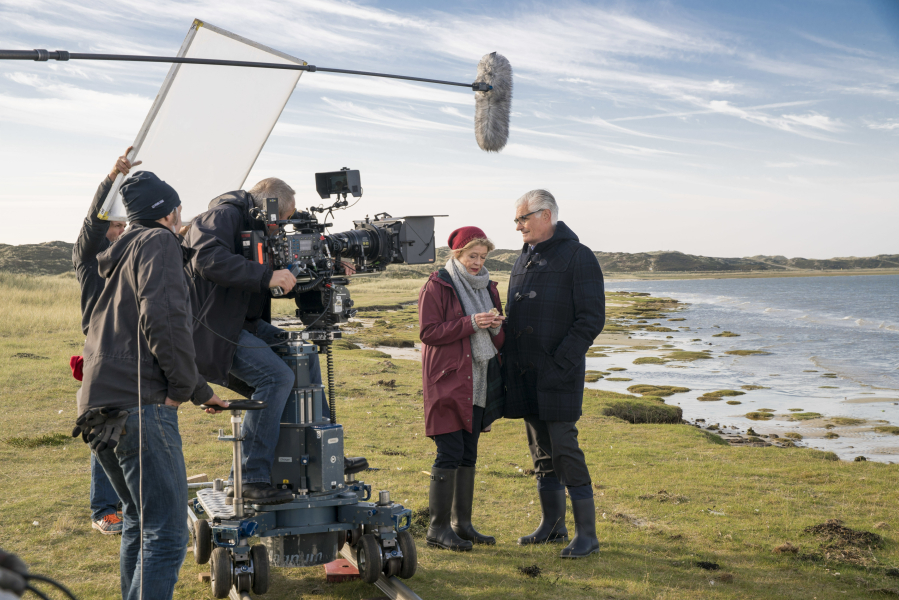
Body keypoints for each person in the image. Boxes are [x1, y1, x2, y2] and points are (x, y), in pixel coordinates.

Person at [79, 171, 229, 600]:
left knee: (138, 519)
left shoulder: (120, 251)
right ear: (168, 211)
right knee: (166, 532)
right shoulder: (159, 242)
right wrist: (187, 389)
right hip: (139, 404)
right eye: (178, 207)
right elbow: (164, 321)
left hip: (98, 403)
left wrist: (195, 388)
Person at [185, 178, 319, 505]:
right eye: (283, 218)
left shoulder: (257, 227)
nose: (283, 225)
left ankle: (320, 452)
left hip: (243, 324)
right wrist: (266, 276)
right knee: (276, 378)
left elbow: (272, 276)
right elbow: (206, 258)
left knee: (304, 354)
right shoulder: (223, 216)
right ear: (270, 207)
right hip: (213, 329)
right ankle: (248, 477)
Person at [503, 189, 605, 559]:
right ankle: (552, 526)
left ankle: (587, 535)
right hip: (525, 374)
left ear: (546, 215)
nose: (518, 226)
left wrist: (560, 363)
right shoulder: (523, 257)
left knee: (565, 450)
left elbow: (591, 319)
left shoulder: (579, 256)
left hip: (559, 374)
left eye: (523, 218)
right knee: (540, 452)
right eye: (517, 219)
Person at [418, 227, 505, 551]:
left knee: (469, 453)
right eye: (472, 256)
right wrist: (471, 323)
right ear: (457, 254)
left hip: (479, 379)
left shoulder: (489, 287)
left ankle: (462, 525)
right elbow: (428, 332)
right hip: (448, 379)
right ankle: (437, 529)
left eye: (482, 257)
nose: (477, 262)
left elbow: (499, 341)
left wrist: (495, 326)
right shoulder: (437, 285)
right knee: (450, 451)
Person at [71, 148, 135, 535]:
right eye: (115, 227)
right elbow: (92, 223)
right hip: (100, 355)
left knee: (128, 427)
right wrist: (112, 179)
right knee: (104, 428)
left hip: (128, 353)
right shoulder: (88, 257)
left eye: (124, 226)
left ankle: (129, 502)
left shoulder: (123, 259)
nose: (120, 231)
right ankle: (104, 510)